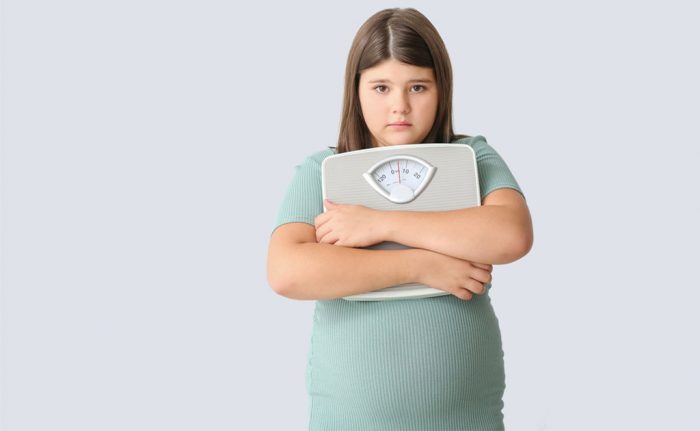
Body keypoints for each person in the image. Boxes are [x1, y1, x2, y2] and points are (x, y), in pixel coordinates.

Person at [266, 7, 533, 431]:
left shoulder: (473, 157)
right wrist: (421, 266)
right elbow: (286, 272)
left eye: (418, 86)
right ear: (355, 91)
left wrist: (382, 223)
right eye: (381, 88)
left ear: (442, 89)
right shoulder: (321, 171)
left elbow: (511, 234)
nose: (400, 106)